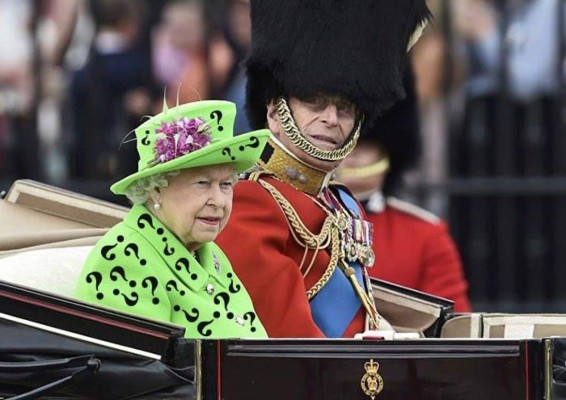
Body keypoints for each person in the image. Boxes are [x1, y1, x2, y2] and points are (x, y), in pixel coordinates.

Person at [216, 0, 431, 338]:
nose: (331, 119)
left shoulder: (342, 203)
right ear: (274, 111)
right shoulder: (251, 203)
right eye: (314, 102)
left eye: (344, 107)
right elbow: (291, 343)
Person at [75, 100, 270, 339]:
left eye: (226, 184)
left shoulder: (211, 254)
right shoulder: (125, 257)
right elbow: (139, 372)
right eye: (202, 183)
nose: (219, 201)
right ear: (157, 188)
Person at [336, 65, 472, 312]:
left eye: (364, 146)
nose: (351, 156)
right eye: (343, 145)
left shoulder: (425, 235)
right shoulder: (301, 221)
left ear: (389, 152)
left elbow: (452, 327)